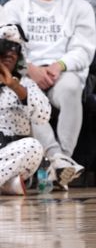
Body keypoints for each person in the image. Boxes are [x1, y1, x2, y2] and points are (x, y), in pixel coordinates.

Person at [3, 0, 96, 189]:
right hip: (27, 73)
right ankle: (60, 162)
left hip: (62, 71)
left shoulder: (80, 7)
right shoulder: (13, 8)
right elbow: (9, 48)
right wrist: (29, 68)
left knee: (70, 89)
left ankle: (59, 159)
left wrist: (59, 65)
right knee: (28, 95)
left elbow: (84, 49)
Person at [0, 23, 50, 196]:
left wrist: (15, 87)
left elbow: (43, 116)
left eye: (15, 48)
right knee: (13, 181)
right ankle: (7, 184)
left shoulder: (27, 85)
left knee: (33, 147)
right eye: (4, 47)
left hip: (12, 155)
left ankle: (7, 182)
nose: (9, 53)